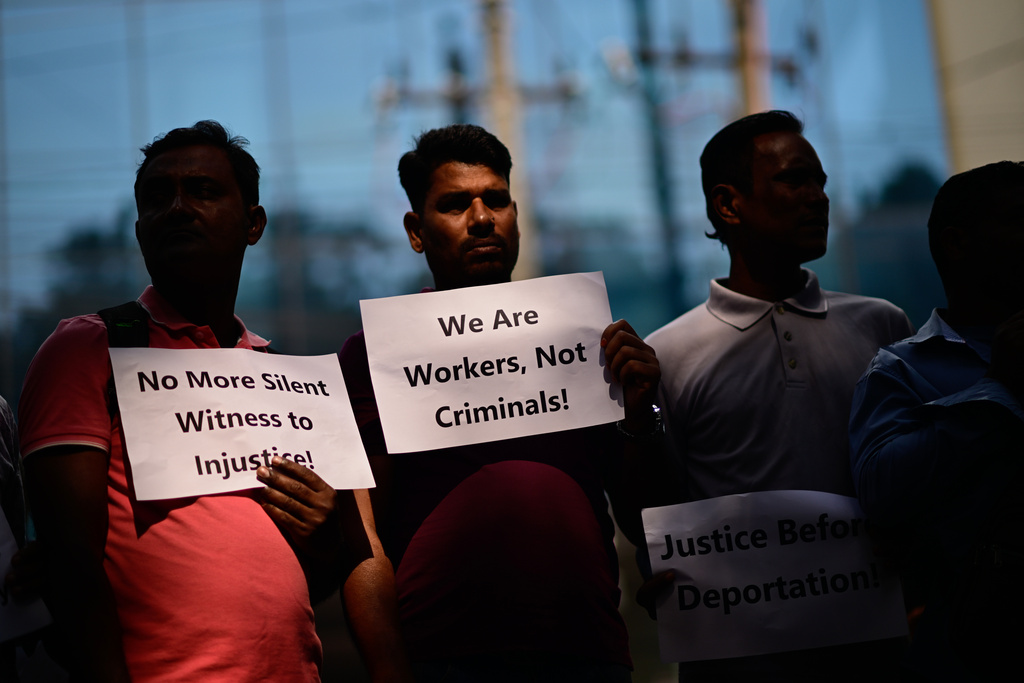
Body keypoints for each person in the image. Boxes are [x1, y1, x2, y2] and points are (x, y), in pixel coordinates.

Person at [18, 120, 406, 682]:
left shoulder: (289, 380)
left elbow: (339, 566)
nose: (176, 208)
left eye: (202, 191)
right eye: (157, 197)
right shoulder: (86, 347)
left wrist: (325, 538)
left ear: (253, 223)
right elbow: (69, 567)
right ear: (139, 228)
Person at [339, 123, 660, 682]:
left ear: (516, 215)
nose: (483, 218)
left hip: (588, 650)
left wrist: (636, 415)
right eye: (456, 204)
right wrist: (389, 671)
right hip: (444, 656)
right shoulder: (376, 357)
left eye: (497, 199)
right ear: (417, 231)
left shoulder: (583, 340)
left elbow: (640, 519)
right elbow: (361, 538)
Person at [643, 110, 913, 680]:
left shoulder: (884, 327)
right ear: (728, 204)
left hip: (873, 644)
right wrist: (660, 571)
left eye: (820, 183)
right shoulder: (667, 355)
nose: (818, 198)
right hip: (736, 658)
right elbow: (657, 509)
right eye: (795, 181)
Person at [850, 161, 1024, 682]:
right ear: (956, 243)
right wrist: (1000, 390)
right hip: (972, 653)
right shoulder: (903, 370)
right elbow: (882, 488)